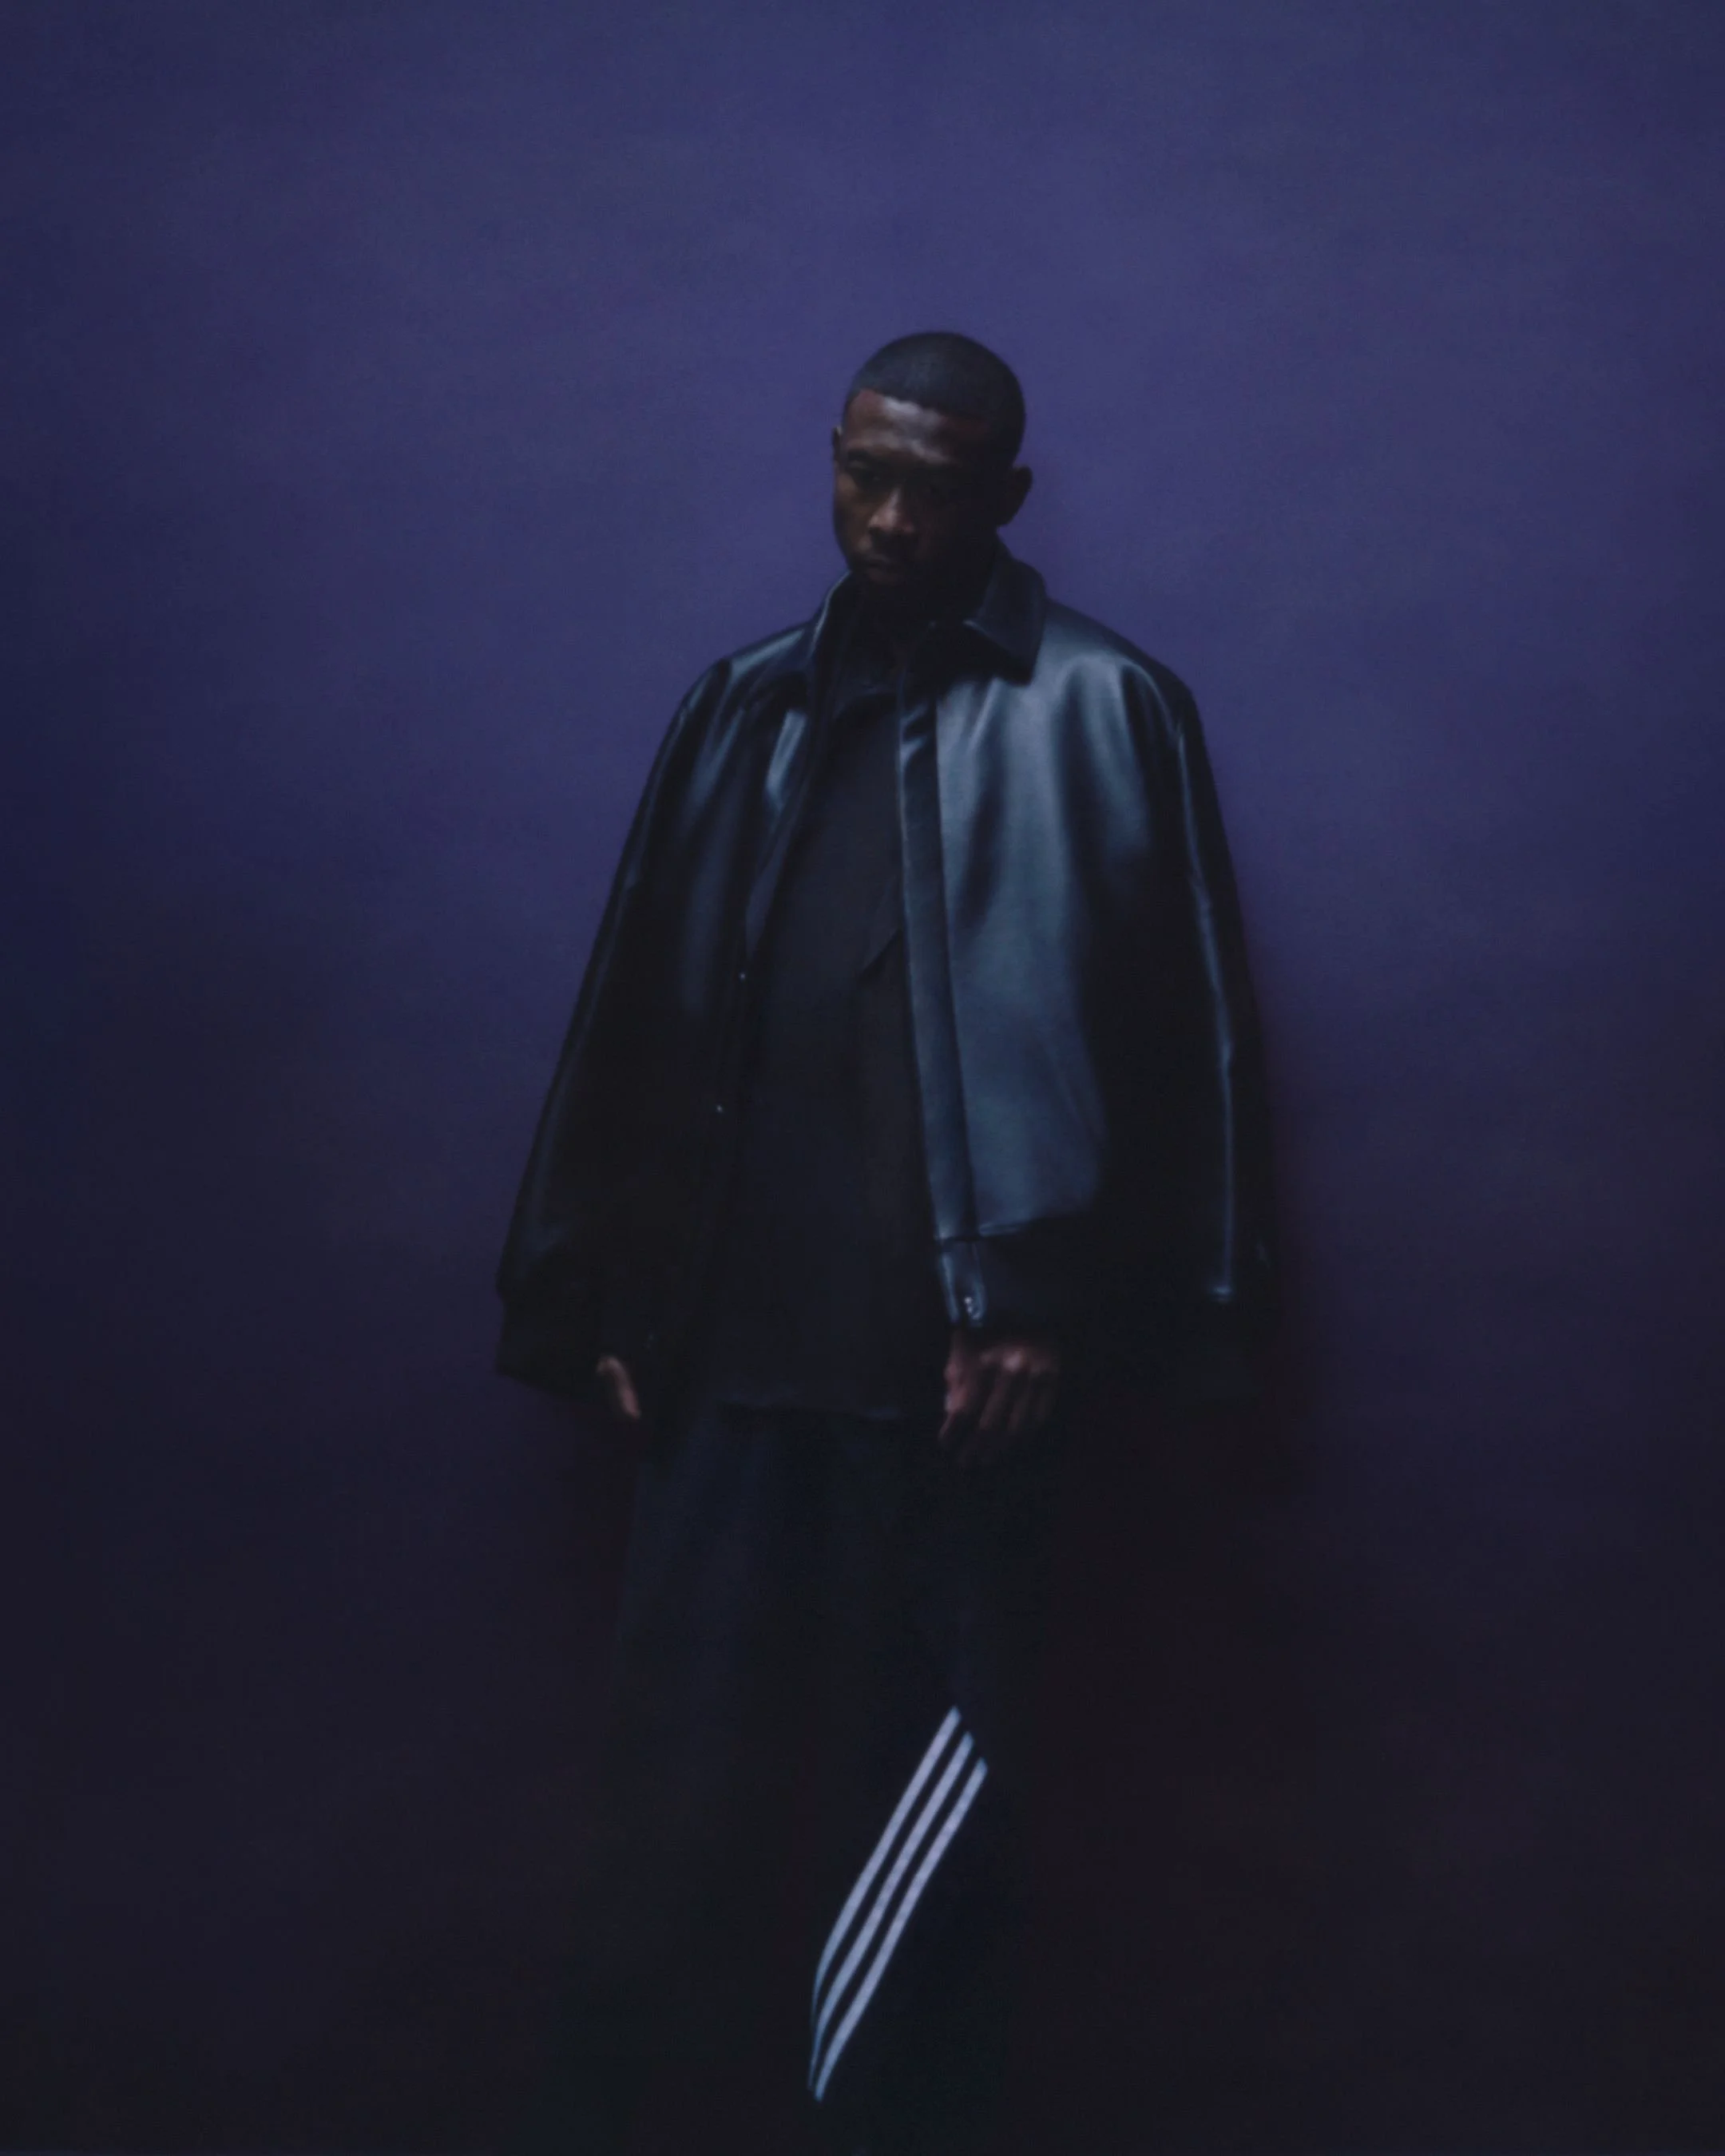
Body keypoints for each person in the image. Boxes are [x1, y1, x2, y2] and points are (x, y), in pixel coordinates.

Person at [496, 331, 1276, 2155]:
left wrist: (1049, 1302)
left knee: (921, 1838)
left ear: (1003, 496)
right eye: (865, 473)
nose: (892, 516)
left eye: (934, 484)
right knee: (683, 1824)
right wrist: (602, 1279)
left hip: (949, 1393)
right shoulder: (744, 706)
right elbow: (637, 1007)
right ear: (831, 464)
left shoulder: (1106, 710)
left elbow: (1187, 1057)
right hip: (725, 1371)